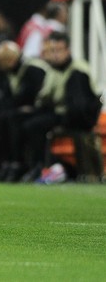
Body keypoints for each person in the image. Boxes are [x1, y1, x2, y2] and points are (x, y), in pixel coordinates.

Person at [18, 31, 103, 182]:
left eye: (58, 50)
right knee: (20, 119)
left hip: (78, 118)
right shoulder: (54, 69)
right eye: (51, 51)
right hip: (63, 113)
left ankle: (45, 167)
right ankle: (25, 165)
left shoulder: (77, 71)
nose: (55, 55)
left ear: (68, 51)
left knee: (34, 126)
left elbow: (78, 106)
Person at [0, 41, 48, 182]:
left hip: (42, 110)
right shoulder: (14, 71)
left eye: (1, 61)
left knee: (10, 118)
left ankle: (17, 164)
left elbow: (35, 96)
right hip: (23, 110)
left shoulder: (33, 69)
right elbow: (11, 99)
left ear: (10, 60)